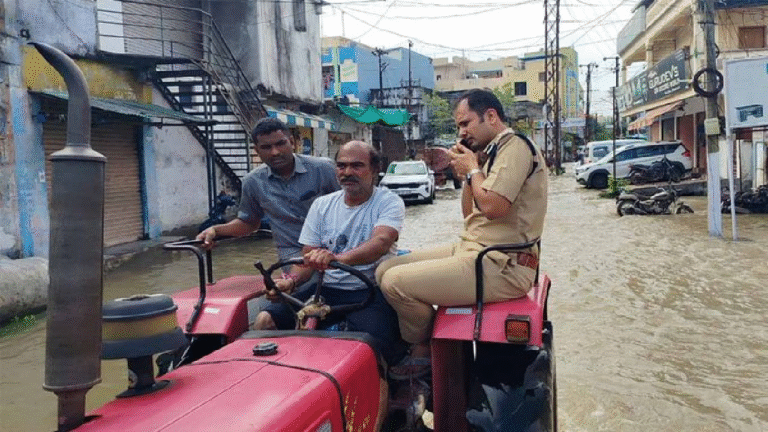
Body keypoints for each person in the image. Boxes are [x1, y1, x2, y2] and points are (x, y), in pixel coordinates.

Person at [376, 89, 548, 379]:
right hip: (476, 249)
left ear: (491, 116)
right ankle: (421, 341)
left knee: (394, 283)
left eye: (466, 123)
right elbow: (470, 214)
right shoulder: (490, 154)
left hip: (503, 263)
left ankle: (422, 348)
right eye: (459, 126)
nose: (462, 131)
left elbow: (493, 206)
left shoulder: (515, 146)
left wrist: (472, 170)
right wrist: (469, 173)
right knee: (384, 268)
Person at [256, 140, 408, 366]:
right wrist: (291, 281)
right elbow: (308, 257)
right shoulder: (322, 205)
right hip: (326, 288)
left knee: (374, 352)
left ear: (374, 169)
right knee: (264, 320)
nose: (347, 172)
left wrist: (337, 259)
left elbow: (381, 242)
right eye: (341, 166)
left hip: (369, 291)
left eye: (357, 166)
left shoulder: (388, 202)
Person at [196, 117, 340, 261]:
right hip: (292, 253)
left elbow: (349, 206)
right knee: (296, 282)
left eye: (280, 144)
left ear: (292, 142)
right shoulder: (253, 182)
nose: (275, 152)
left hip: (334, 248)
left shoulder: (323, 169)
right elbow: (249, 223)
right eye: (266, 147)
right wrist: (215, 230)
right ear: (257, 150)